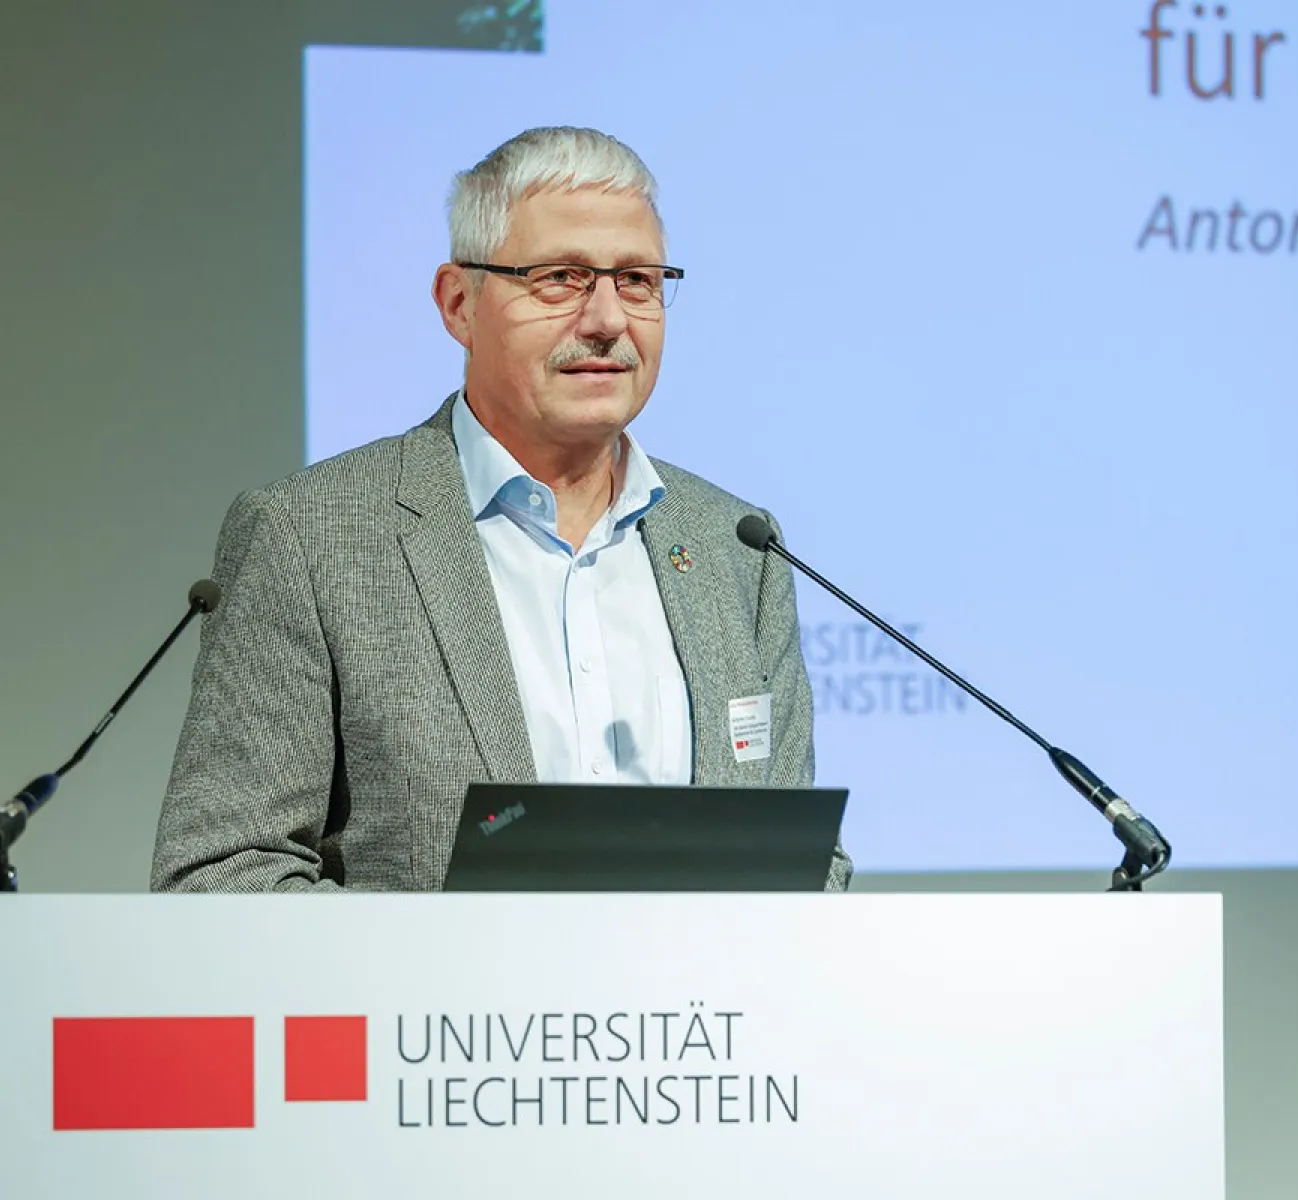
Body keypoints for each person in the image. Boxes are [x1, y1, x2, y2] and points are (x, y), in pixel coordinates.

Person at [150, 126, 851, 893]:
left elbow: (799, 872)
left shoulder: (734, 547)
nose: (608, 320)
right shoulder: (311, 537)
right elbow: (220, 876)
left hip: (694, 1017)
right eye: (560, 277)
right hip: (434, 1015)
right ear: (459, 303)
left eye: (639, 282)